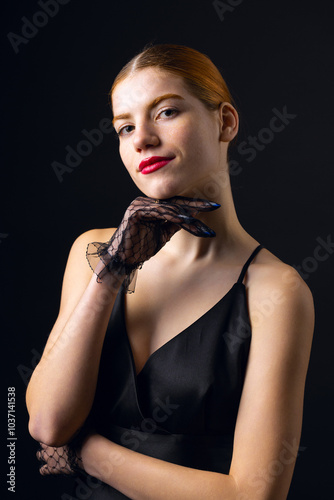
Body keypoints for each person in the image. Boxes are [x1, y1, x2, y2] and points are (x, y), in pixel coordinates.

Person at [26, 44, 314, 499]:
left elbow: (252, 495)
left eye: (165, 112)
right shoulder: (92, 251)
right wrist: (115, 268)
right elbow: (47, 423)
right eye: (124, 127)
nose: (141, 138)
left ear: (226, 122)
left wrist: (87, 453)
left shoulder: (275, 290)